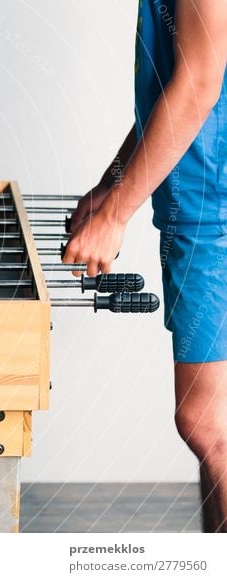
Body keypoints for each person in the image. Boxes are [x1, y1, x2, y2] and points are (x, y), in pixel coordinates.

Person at [65, 0, 227, 532]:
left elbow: (200, 83)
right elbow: (169, 96)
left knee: (207, 426)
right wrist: (112, 184)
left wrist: (117, 214)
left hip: (213, 212)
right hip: (201, 205)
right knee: (217, 428)